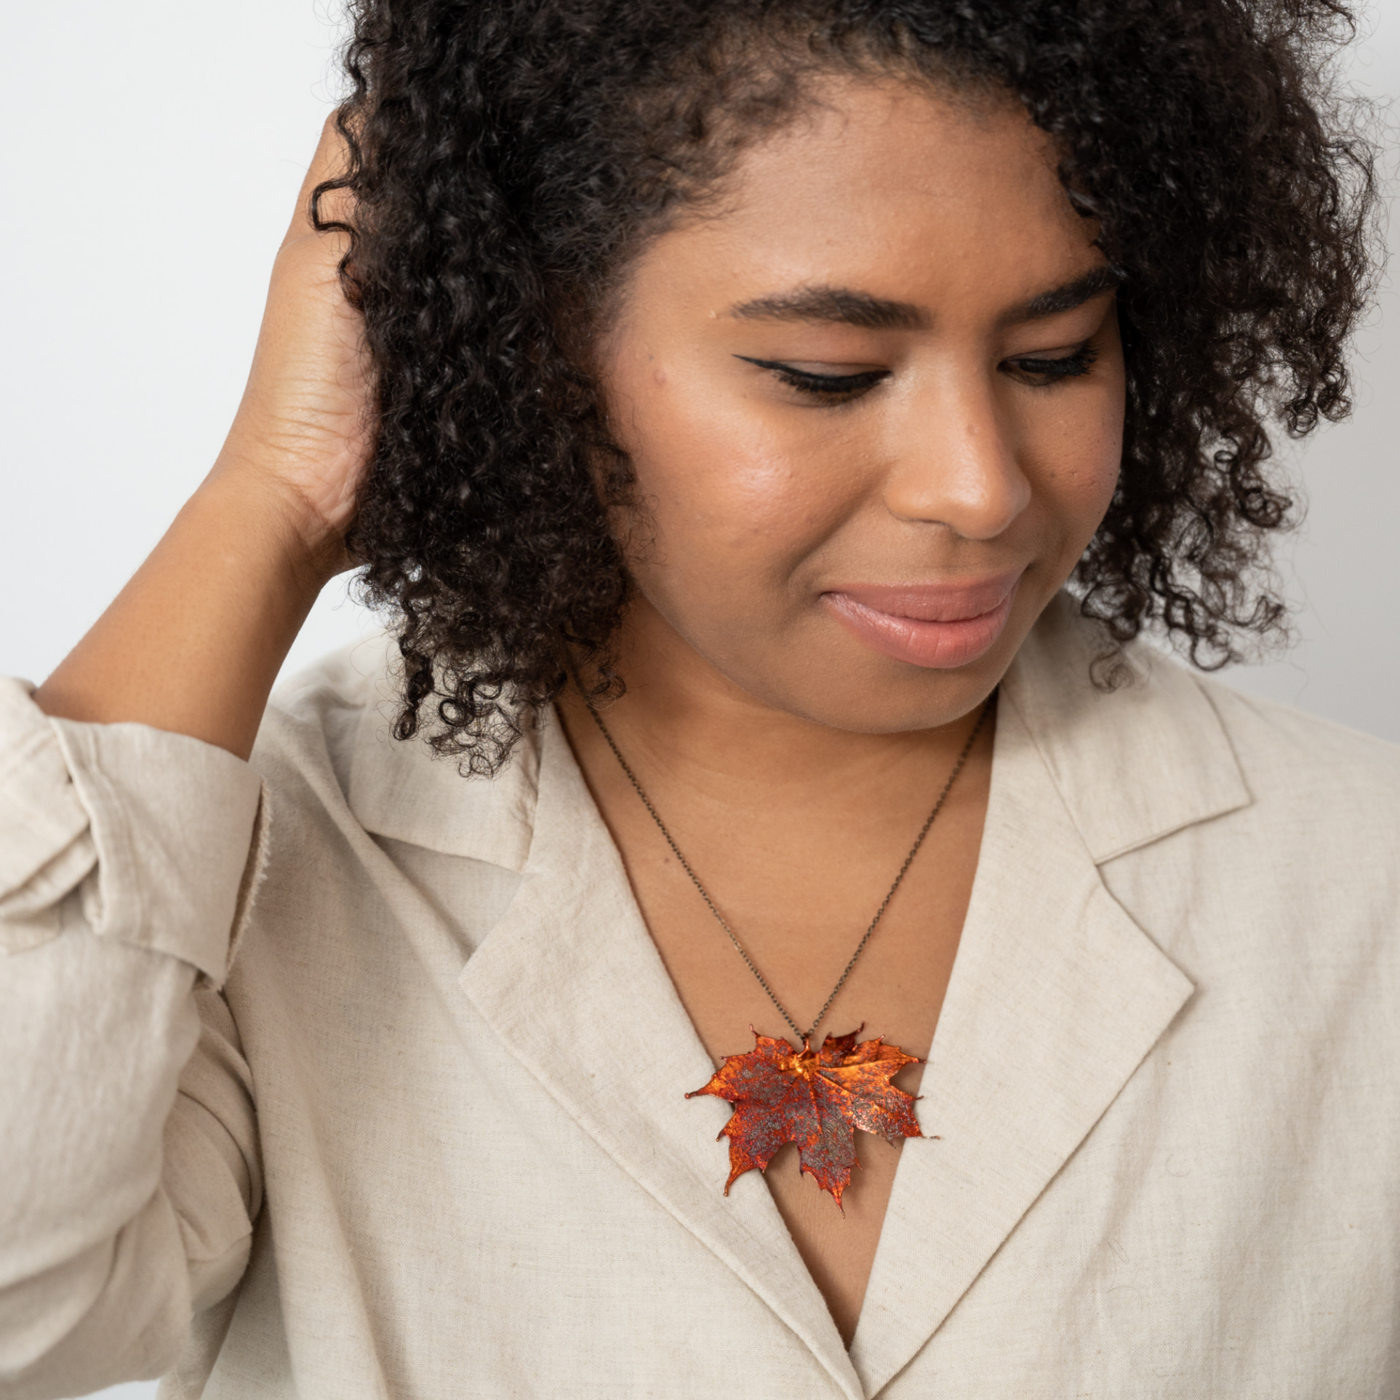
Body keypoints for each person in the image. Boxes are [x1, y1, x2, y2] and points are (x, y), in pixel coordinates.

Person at [1, 0, 1395, 1396]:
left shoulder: (1355, 880)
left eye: (1054, 357)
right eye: (825, 376)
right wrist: (276, 493)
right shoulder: (247, 873)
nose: (980, 484)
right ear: (544, 340)